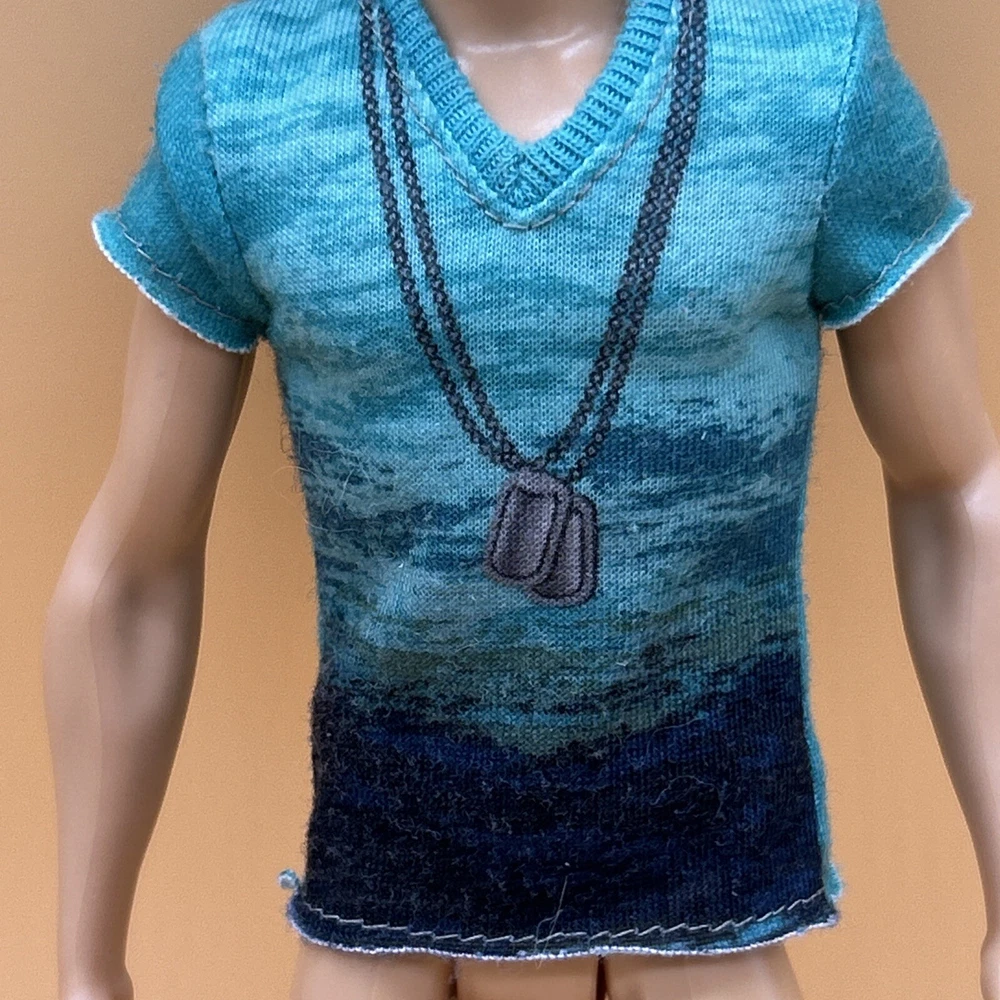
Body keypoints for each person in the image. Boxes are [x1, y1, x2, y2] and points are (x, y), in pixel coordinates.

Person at [45, 0, 1000, 998]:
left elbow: (957, 490)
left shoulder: (812, 71)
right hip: (387, 925)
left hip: (710, 928)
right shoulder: (242, 101)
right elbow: (132, 572)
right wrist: (84, 968)